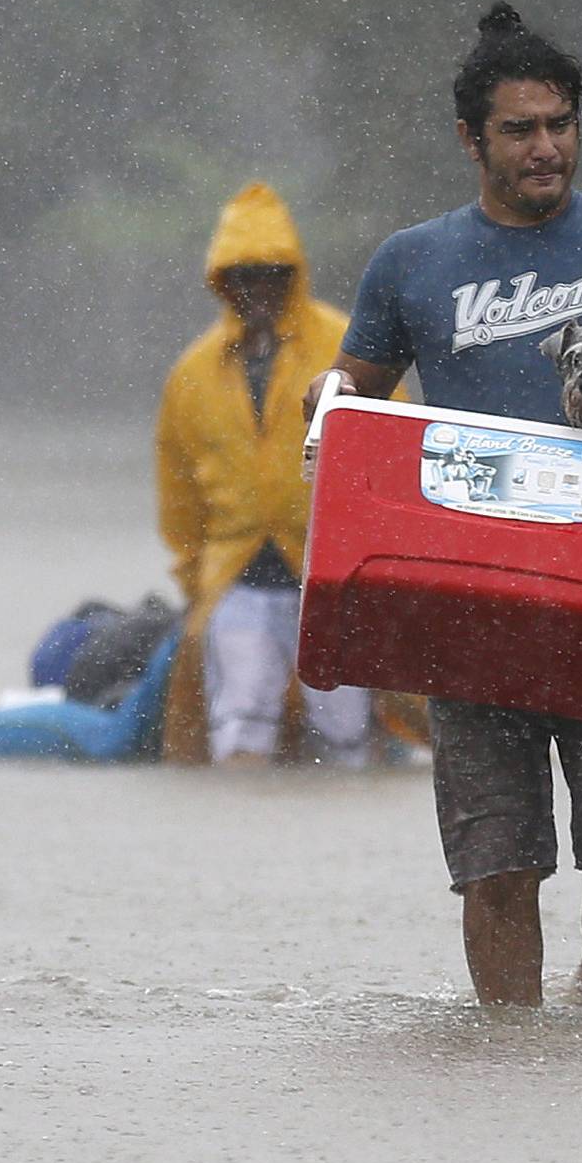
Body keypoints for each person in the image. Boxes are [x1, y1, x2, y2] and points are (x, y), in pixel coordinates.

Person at [306, 4, 582, 1004]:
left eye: (560, 124)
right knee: (496, 864)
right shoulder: (411, 263)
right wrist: (323, 405)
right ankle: (512, 1050)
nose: (546, 146)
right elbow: (350, 408)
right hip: (467, 600)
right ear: (471, 139)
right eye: (520, 129)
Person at [156, 182, 376, 767]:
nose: (258, 288)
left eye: (273, 273)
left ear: (293, 274)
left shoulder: (344, 346)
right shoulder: (193, 372)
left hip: (332, 578)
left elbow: (391, 455)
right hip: (239, 577)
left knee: (344, 733)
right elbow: (177, 492)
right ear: (222, 279)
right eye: (244, 274)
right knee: (241, 722)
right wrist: (194, 581)